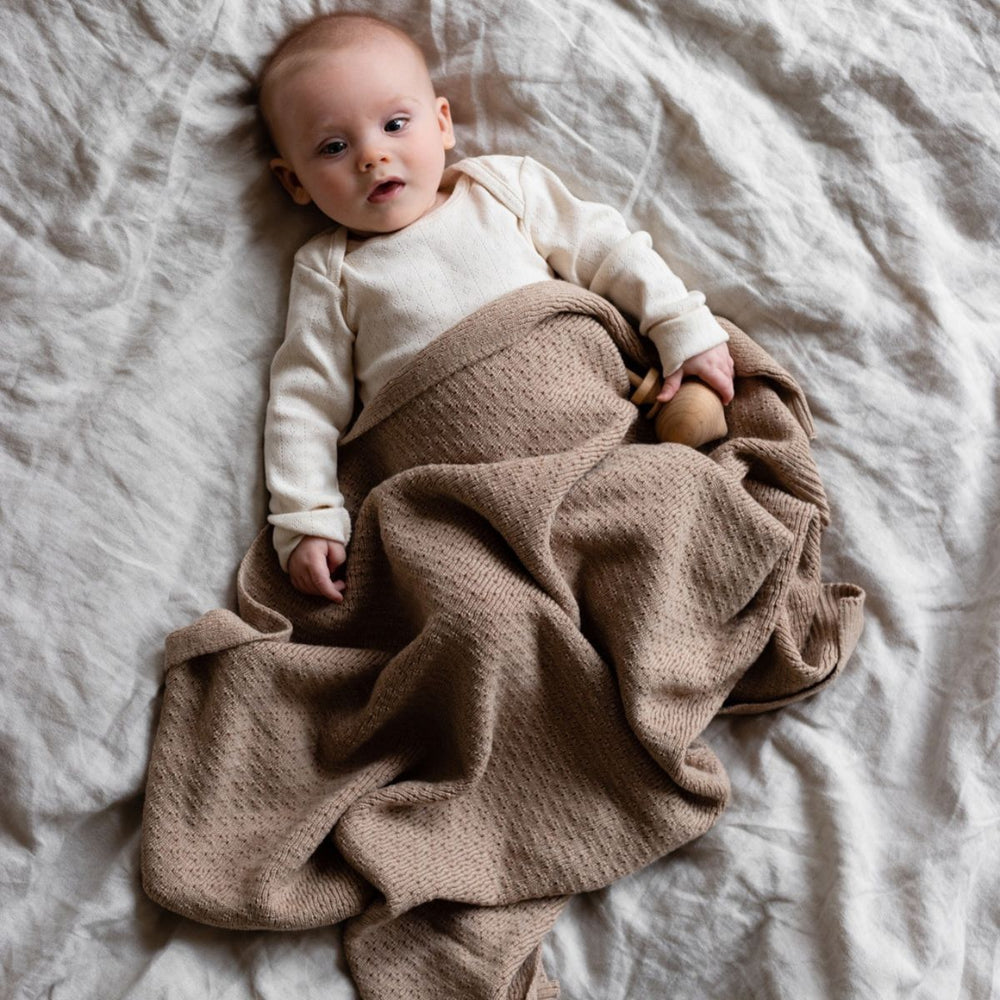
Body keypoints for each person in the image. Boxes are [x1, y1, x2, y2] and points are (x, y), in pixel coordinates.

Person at [259, 12, 736, 602]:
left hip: (589, 432)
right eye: (334, 146)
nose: (371, 156)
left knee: (676, 502)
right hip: (462, 493)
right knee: (478, 609)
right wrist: (306, 514)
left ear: (441, 124)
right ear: (294, 182)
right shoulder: (330, 270)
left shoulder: (501, 189)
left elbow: (609, 251)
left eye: (395, 124)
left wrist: (680, 324)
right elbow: (305, 401)